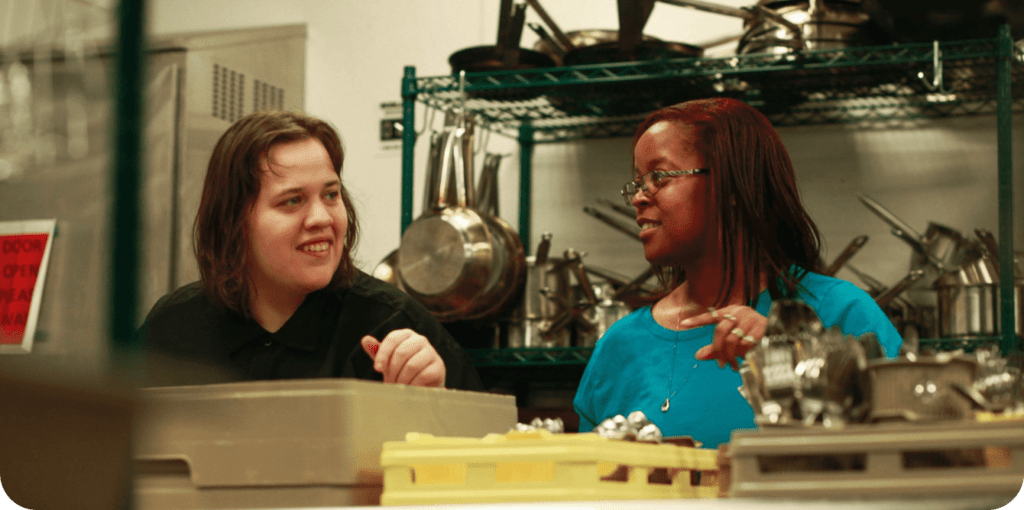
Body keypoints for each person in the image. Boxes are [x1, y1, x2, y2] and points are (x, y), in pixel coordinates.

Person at [573, 98, 902, 447]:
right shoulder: (619, 345)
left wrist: (799, 365)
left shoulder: (841, 314)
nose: (639, 197)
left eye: (659, 177)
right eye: (638, 182)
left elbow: (910, 453)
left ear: (730, 186)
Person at [138, 110, 483, 391]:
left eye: (331, 195)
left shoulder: (391, 324)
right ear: (233, 220)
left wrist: (439, 397)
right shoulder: (173, 329)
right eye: (292, 201)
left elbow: (482, 454)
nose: (321, 218)